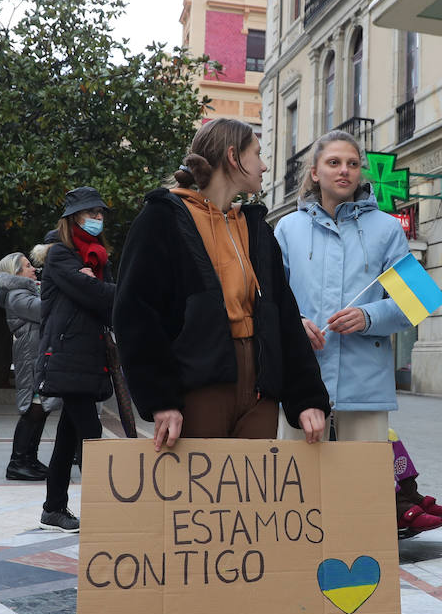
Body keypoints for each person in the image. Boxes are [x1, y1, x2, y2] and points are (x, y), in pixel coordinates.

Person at [273, 130, 442, 534]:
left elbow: (417, 300)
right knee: (293, 490)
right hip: (302, 381)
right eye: (334, 163)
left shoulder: (387, 229)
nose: (344, 171)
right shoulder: (287, 230)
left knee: (363, 497)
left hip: (364, 385)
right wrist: (294, 325)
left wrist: (368, 316)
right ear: (315, 172)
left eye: (353, 164)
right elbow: (269, 301)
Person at [114, 117, 328, 451]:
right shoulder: (162, 218)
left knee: (254, 496)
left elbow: (284, 316)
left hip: (260, 390)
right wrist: (161, 399)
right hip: (199, 388)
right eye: (257, 153)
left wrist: (307, 398)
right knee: (197, 499)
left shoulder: (258, 228)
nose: (264, 164)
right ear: (233, 157)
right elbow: (135, 314)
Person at [33, 187, 116, 533]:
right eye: (90, 213)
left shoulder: (99, 258)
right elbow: (100, 295)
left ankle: (54, 508)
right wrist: (94, 285)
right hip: (68, 355)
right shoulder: (60, 256)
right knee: (91, 436)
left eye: (100, 214)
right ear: (73, 219)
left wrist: (96, 284)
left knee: (69, 435)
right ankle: (107, 509)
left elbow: (108, 297)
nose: (97, 219)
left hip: (88, 355)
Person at [0, 252, 52, 481]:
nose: (33, 269)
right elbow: (44, 311)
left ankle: (30, 458)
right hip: (30, 357)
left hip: (35, 356)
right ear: (16, 272)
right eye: (28, 266)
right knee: (32, 408)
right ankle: (17, 463)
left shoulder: (23, 292)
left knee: (41, 409)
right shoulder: (16, 295)